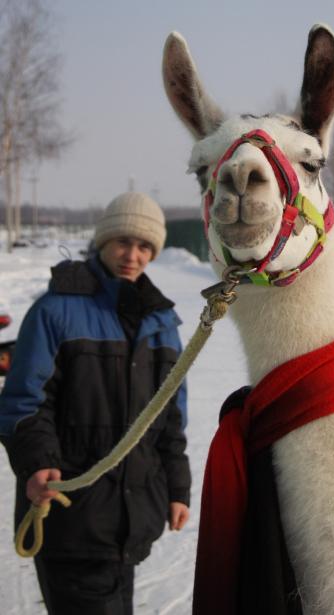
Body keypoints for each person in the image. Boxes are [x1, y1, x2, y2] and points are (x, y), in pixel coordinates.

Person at [0, 192, 191, 615]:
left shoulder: (162, 323)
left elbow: (170, 417)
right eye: (123, 241)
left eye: (144, 247)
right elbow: (23, 403)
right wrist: (36, 463)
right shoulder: (55, 311)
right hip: (71, 517)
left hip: (131, 518)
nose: (132, 255)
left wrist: (177, 489)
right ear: (103, 242)